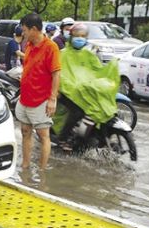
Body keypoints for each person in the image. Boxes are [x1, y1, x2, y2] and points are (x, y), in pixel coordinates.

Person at [55, 22, 118, 150]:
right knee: (77, 112)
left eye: (83, 36)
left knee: (103, 106)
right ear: (71, 37)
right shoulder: (62, 54)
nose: (80, 38)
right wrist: (66, 86)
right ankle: (63, 138)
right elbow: (58, 74)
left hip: (84, 90)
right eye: (77, 35)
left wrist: (111, 67)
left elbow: (98, 70)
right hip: (66, 91)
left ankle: (92, 135)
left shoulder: (89, 54)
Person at [15, 12, 61, 170]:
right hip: (25, 98)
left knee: (43, 136)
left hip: (41, 100)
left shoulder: (51, 48)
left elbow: (56, 74)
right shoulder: (28, 45)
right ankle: (25, 166)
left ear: (34, 29)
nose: (23, 33)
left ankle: (42, 172)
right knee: (25, 131)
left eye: (25, 30)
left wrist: (52, 99)